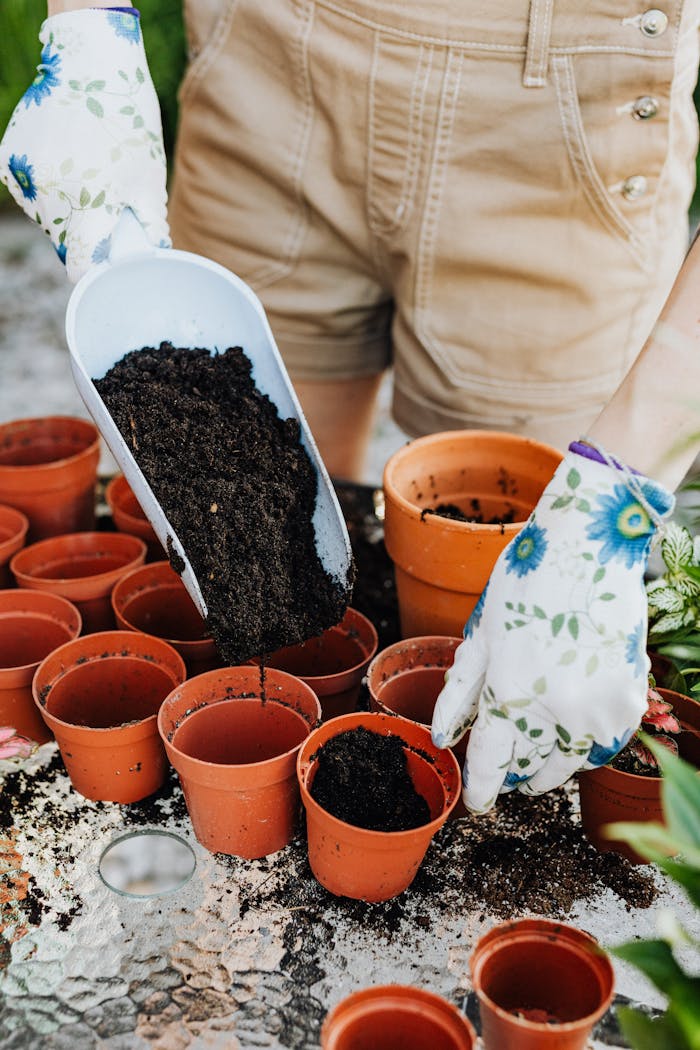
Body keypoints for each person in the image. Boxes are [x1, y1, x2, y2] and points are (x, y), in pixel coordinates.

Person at [1, 1, 700, 812]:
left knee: (515, 623)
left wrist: (613, 495)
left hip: (565, 124)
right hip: (270, 59)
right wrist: (88, 23)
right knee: (273, 491)